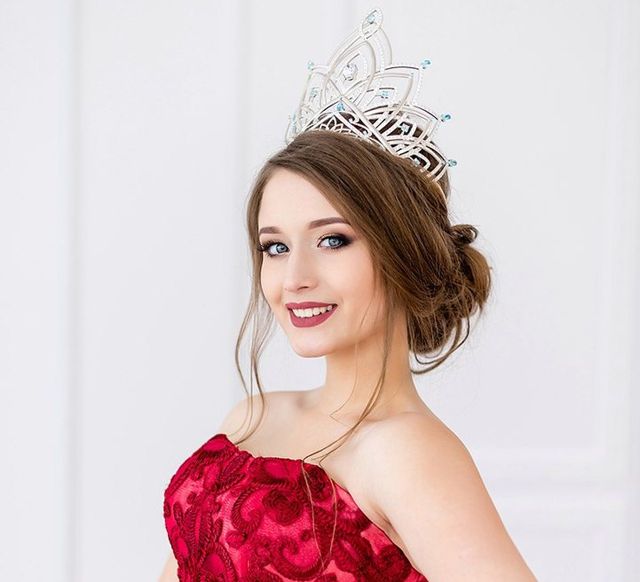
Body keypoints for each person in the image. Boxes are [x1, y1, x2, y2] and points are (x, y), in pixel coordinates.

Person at [159, 8, 537, 581]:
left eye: (332, 240)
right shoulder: (252, 418)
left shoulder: (409, 452)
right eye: (275, 247)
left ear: (401, 249)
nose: (294, 277)